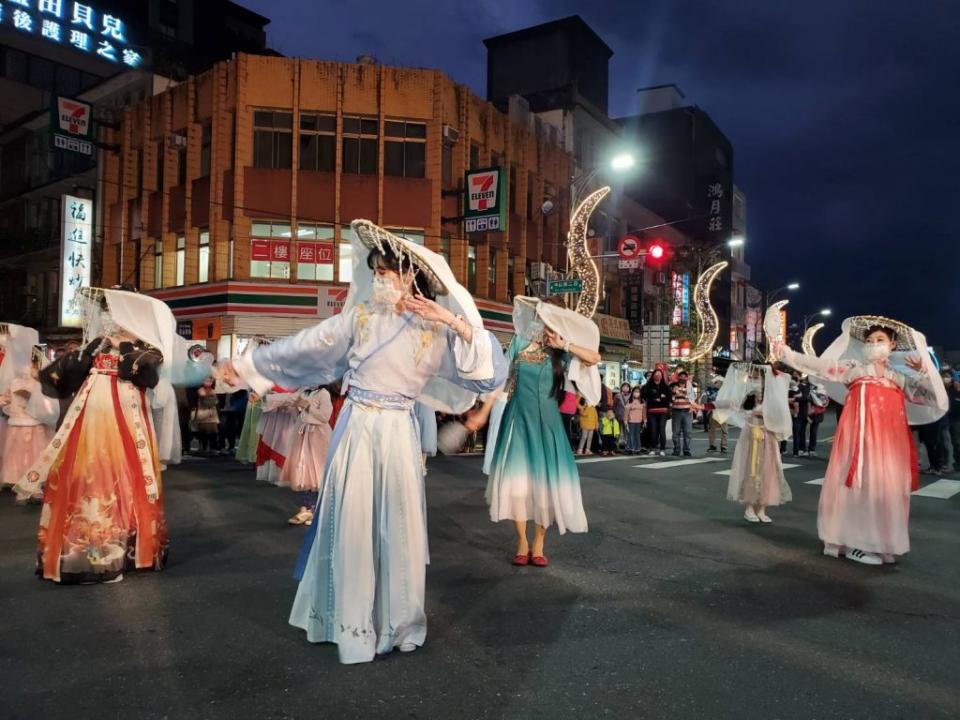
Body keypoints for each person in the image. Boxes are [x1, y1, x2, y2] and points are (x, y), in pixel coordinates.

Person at [217, 220, 506, 664]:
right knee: (351, 524)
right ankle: (348, 621)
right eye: (374, 273)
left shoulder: (438, 331)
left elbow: (486, 373)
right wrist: (250, 364)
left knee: (399, 527)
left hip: (397, 431)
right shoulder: (360, 318)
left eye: (384, 273)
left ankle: (399, 624)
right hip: (357, 427)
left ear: (409, 276)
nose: (376, 281)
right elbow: (305, 348)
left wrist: (450, 318)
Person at [14, 288, 210, 583]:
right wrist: (90, 350)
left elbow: (147, 378)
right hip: (88, 420)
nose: (113, 320)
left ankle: (125, 549)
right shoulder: (98, 346)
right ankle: (78, 550)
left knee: (122, 479)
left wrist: (127, 347)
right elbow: (61, 378)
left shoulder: (148, 348)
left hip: (126, 424)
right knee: (83, 477)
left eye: (119, 313)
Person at [772, 317, 947, 565]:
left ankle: (880, 542)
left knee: (884, 493)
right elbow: (820, 365)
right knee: (859, 488)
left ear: (893, 345)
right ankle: (856, 543)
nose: (873, 344)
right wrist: (788, 354)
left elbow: (932, 399)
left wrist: (924, 372)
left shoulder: (898, 378)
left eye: (880, 340)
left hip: (889, 446)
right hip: (859, 443)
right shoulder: (854, 371)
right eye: (869, 340)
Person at [475, 295, 600, 567]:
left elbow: (594, 358)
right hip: (517, 419)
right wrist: (483, 412)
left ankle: (539, 543)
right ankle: (522, 541)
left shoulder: (562, 351)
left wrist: (564, 343)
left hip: (548, 424)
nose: (543, 320)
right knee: (517, 484)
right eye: (541, 314)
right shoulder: (519, 341)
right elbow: (501, 381)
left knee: (546, 484)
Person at [715, 363, 792, 523]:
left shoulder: (773, 394)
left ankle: (762, 508)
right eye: (753, 376)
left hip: (767, 434)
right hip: (751, 432)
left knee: (768, 470)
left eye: (758, 376)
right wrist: (705, 405)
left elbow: (780, 412)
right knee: (751, 469)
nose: (755, 380)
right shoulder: (748, 394)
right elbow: (733, 404)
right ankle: (749, 507)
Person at [0, 348, 59, 497]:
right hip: (18, 422)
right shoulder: (15, 382)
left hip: (33, 423)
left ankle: (32, 482)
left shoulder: (39, 383)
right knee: (19, 452)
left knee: (31, 454)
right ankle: (20, 479)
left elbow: (48, 402)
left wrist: (32, 397)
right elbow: (7, 398)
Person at [281, 386, 333, 526]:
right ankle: (305, 508)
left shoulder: (324, 393)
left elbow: (325, 416)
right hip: (303, 435)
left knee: (315, 472)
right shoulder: (305, 390)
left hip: (318, 436)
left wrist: (308, 406)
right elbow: (292, 402)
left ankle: (312, 510)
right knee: (303, 471)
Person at [255, 387, 300, 484]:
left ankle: (283, 475)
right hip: (272, 414)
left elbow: (299, 397)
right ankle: (273, 474)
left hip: (288, 415)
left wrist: (278, 399)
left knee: (285, 442)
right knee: (272, 440)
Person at [643, 369, 671, 456]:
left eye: (659, 374)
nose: (658, 376)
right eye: (656, 374)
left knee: (662, 430)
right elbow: (646, 397)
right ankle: (653, 448)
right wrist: (658, 397)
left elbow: (668, 399)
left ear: (662, 376)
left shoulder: (666, 387)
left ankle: (662, 448)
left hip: (663, 411)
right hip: (652, 411)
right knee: (653, 430)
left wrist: (660, 399)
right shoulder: (648, 386)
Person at [670, 370, 696, 457]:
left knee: (688, 432)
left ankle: (686, 450)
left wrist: (684, 395)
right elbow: (670, 398)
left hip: (687, 411)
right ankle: (676, 449)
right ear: (678, 377)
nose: (683, 378)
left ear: (686, 378)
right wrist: (674, 392)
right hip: (676, 411)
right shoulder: (673, 386)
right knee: (676, 432)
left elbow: (693, 398)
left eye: (685, 376)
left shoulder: (690, 386)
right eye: (681, 376)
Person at [194, 377, 220, 455]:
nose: (208, 382)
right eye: (206, 380)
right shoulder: (200, 390)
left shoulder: (213, 391)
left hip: (211, 414)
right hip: (203, 414)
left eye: (210, 380)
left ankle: (211, 447)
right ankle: (202, 447)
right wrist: (211, 397)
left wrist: (212, 398)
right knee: (202, 432)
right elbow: (206, 400)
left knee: (212, 432)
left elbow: (215, 401)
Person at [701, 377, 727, 454]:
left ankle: (724, 446)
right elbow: (706, 399)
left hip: (723, 411)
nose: (719, 384)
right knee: (712, 429)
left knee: (724, 430)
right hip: (713, 410)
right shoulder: (710, 391)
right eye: (718, 382)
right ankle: (712, 445)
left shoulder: (725, 391)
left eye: (720, 383)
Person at [625, 386, 645, 454]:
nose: (637, 393)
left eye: (638, 392)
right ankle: (629, 449)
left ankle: (637, 449)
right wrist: (625, 420)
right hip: (631, 421)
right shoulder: (629, 401)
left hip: (639, 422)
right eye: (635, 391)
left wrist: (645, 420)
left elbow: (644, 412)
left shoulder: (642, 402)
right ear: (632, 392)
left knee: (637, 435)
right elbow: (626, 412)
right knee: (631, 435)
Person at [614, 382, 632, 450]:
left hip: (627, 417)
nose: (625, 388)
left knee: (626, 431)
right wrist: (615, 414)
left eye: (627, 387)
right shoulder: (617, 396)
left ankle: (627, 444)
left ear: (629, 388)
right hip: (618, 416)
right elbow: (614, 406)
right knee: (617, 431)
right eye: (624, 386)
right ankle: (616, 445)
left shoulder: (631, 396)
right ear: (621, 387)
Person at [948, 372, 960, 472]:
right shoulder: (951, 392)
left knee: (957, 442)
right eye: (956, 381)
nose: (957, 383)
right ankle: (957, 462)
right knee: (955, 442)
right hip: (953, 421)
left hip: (956, 420)